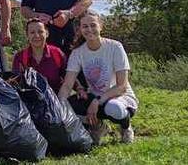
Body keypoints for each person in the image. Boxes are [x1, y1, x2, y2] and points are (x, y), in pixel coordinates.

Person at [57, 11, 138, 145]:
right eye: (85, 26)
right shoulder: (77, 53)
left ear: (101, 26)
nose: (89, 29)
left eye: (93, 25)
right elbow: (67, 85)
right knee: (68, 105)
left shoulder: (115, 47)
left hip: (118, 97)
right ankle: (98, 127)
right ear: (80, 29)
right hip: (94, 96)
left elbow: (121, 86)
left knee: (114, 108)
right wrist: (59, 105)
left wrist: (97, 102)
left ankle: (125, 128)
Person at [11, 19, 68, 93]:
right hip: (30, 101)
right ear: (27, 35)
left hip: (56, 99)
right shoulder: (20, 57)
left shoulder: (57, 53)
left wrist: (80, 89)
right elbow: (15, 84)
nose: (37, 36)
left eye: (40, 32)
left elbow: (68, 77)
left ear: (47, 34)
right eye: (32, 32)